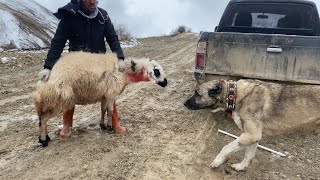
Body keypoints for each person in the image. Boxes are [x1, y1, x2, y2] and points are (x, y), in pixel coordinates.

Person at [38, 0, 126, 138]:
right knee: (69, 93)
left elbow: (113, 38)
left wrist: (120, 57)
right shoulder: (69, 15)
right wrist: (48, 67)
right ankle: (67, 126)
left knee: (110, 90)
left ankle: (114, 123)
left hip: (99, 64)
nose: (93, 2)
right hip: (77, 65)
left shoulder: (103, 16)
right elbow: (58, 42)